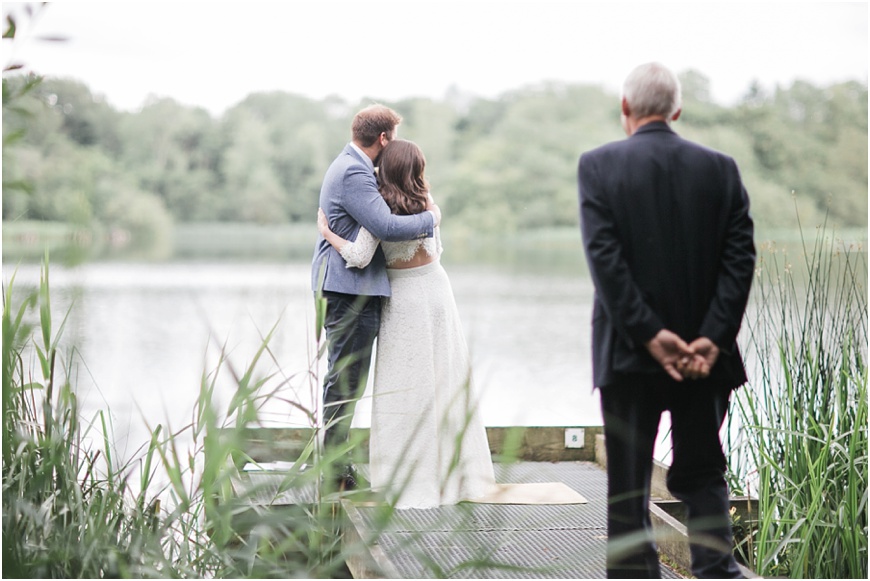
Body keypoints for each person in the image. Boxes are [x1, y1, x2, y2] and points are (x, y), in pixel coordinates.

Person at [577, 62, 756, 579]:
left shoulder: (598, 165)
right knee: (704, 473)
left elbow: (604, 260)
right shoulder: (720, 168)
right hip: (705, 361)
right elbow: (739, 260)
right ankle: (717, 571)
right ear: (675, 110)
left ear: (626, 108)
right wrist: (709, 340)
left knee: (628, 483)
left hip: (630, 355)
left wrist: (651, 336)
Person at [317, 138, 496, 509]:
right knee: (445, 377)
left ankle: (405, 474)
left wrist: (327, 233)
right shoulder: (430, 206)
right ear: (417, 170)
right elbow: (437, 251)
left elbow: (359, 257)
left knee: (403, 384)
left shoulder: (379, 210)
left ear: (387, 169)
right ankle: (455, 473)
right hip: (437, 292)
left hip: (403, 299)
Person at [311, 105, 441, 492]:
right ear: (383, 139)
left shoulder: (352, 166)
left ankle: (336, 465)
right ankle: (334, 471)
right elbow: (385, 226)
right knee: (346, 379)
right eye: (394, 137)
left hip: (352, 287)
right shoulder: (353, 171)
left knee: (347, 378)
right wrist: (433, 217)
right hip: (349, 289)